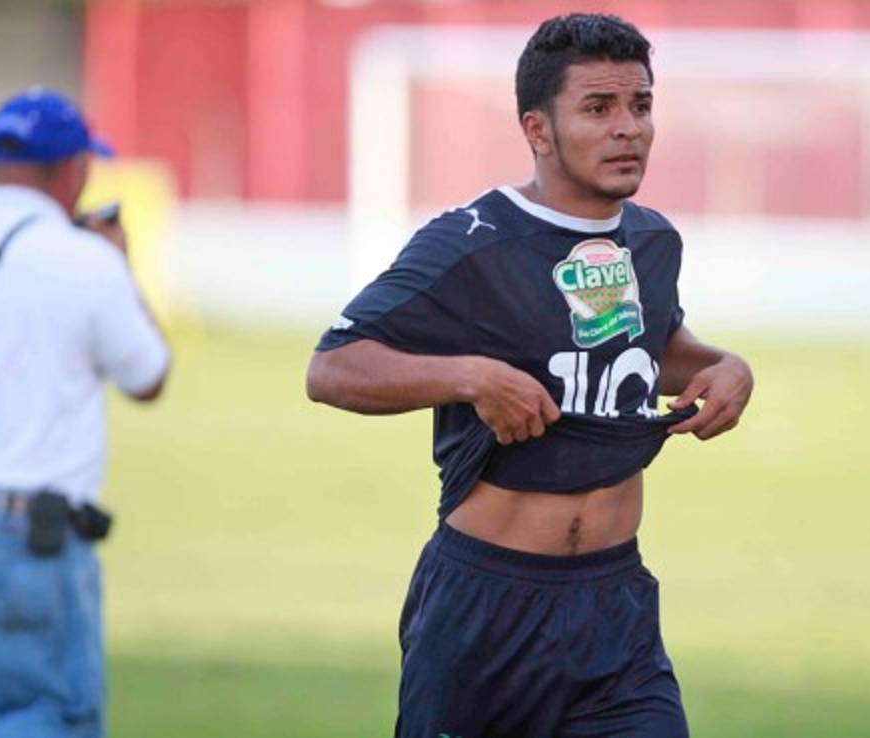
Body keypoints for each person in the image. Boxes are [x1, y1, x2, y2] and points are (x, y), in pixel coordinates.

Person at [307, 14, 753, 738]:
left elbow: (657, 345)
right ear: (538, 130)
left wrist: (725, 368)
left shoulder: (650, 240)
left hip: (615, 606)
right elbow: (332, 369)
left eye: (640, 105)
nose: (628, 129)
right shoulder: (471, 241)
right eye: (598, 108)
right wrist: (471, 376)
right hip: (486, 609)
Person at [0, 88, 170, 738]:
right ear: (73, 170)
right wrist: (120, 266)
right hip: (29, 536)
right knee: (41, 715)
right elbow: (148, 374)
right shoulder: (83, 261)